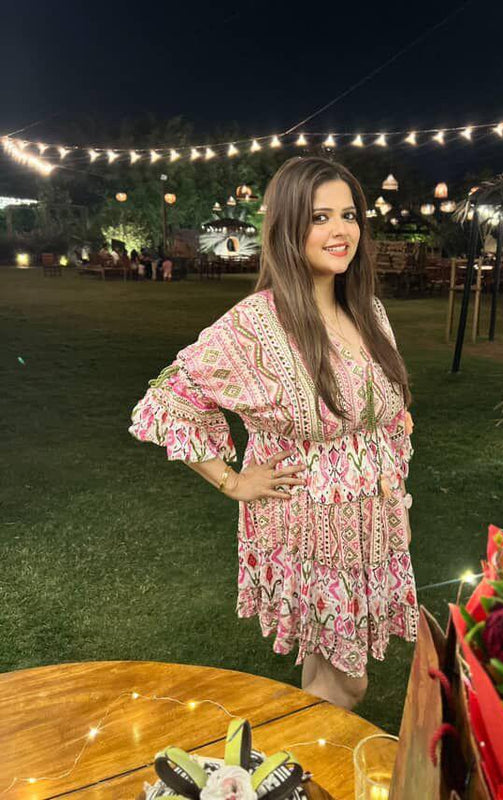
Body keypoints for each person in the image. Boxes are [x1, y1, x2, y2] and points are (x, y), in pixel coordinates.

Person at [128, 156, 417, 710]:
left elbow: (388, 417)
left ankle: (295, 779)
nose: (340, 231)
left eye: (349, 215)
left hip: (370, 521)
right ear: (287, 227)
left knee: (327, 672)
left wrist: (395, 490)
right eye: (319, 217)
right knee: (344, 683)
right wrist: (231, 481)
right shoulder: (257, 324)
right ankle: (311, 773)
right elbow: (171, 396)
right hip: (307, 526)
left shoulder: (369, 311)